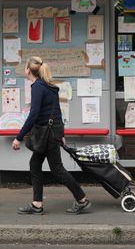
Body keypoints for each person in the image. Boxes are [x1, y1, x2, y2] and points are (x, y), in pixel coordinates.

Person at [12, 56, 91, 215]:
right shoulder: (49, 86)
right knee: (36, 164)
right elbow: (57, 112)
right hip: (51, 132)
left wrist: (19, 137)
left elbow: (33, 115)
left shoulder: (38, 87)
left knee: (57, 169)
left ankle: (82, 199)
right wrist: (60, 133)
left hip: (46, 135)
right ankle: (37, 204)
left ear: (28, 70)